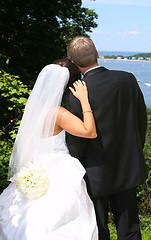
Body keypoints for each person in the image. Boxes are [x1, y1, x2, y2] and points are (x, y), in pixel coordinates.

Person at [63, 36, 148, 240]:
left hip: (93, 173)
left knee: (98, 229)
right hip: (127, 167)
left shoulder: (75, 93)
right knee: (130, 230)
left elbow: (76, 143)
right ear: (97, 53)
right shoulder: (127, 79)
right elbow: (141, 119)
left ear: (73, 62)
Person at [0, 63, 99, 240]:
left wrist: (29, 171)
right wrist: (84, 99)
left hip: (35, 166)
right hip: (59, 167)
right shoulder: (58, 114)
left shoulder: (33, 111)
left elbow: (26, 144)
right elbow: (89, 132)